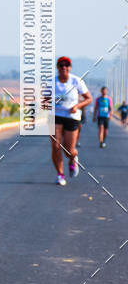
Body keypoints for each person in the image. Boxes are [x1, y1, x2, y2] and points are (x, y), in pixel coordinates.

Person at [51, 56, 92, 186]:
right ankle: (60, 174)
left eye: (66, 65)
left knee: (69, 150)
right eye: (61, 65)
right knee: (56, 146)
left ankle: (73, 159)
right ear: (57, 67)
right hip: (55, 116)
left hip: (71, 117)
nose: (64, 67)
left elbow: (88, 98)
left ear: (69, 67)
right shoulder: (51, 82)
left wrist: (77, 106)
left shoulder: (76, 81)